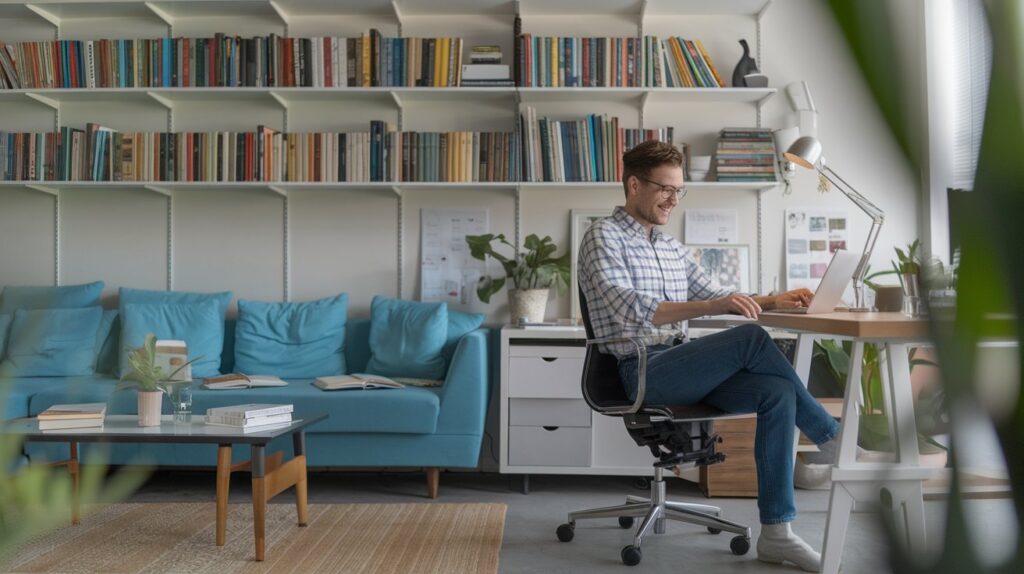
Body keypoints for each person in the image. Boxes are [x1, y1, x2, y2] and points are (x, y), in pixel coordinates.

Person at [578, 140, 842, 573]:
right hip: (642, 370)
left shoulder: (670, 247)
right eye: (666, 189)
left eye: (680, 190)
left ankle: (777, 535)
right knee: (752, 339)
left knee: (776, 391)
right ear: (633, 185)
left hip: (682, 365)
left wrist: (778, 298)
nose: (673, 200)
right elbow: (632, 307)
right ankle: (831, 439)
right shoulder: (601, 237)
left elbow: (719, 295)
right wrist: (717, 307)